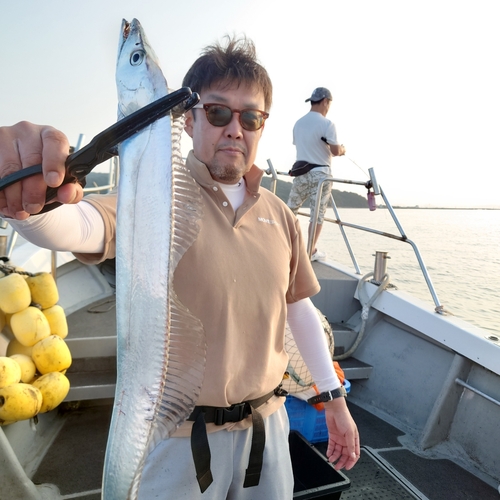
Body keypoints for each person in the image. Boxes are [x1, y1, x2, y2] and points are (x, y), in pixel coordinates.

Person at [0, 38, 359, 499]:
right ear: (187, 120)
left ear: (262, 127)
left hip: (268, 432)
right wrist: (31, 202)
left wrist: (333, 398)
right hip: (175, 440)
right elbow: (77, 225)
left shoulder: (281, 213)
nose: (235, 129)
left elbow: (298, 309)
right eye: (217, 113)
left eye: (250, 117)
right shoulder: (153, 196)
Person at [287, 87, 346, 261]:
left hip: (301, 172)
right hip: (321, 174)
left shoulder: (298, 123)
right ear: (326, 102)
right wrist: (342, 149)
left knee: (290, 210)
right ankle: (310, 251)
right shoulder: (328, 124)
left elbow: (302, 146)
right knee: (317, 214)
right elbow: (335, 151)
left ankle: (282, 244)